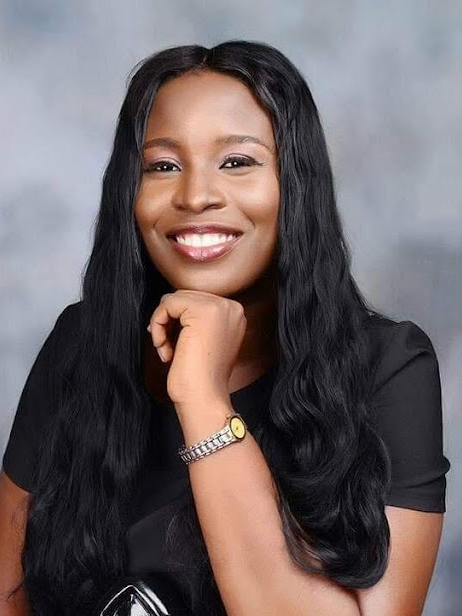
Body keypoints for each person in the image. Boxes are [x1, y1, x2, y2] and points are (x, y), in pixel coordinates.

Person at [0, 40, 450, 616]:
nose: (196, 196)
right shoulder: (81, 344)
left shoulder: (389, 367)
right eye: (163, 166)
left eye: (237, 162)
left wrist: (204, 401)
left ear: (295, 182)